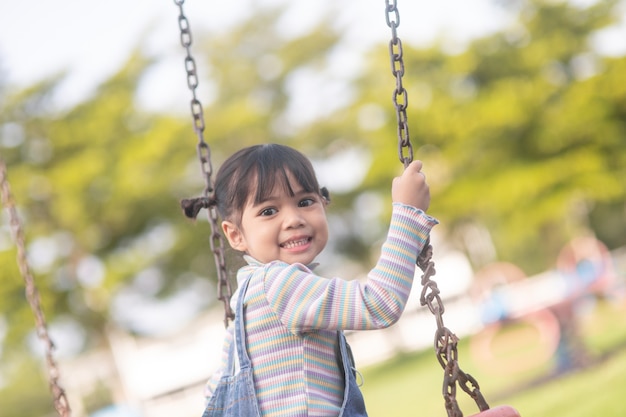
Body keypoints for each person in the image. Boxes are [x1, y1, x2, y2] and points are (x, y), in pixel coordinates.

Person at [181, 144, 437, 417]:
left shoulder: (246, 299)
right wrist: (408, 213)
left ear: (323, 203)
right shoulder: (278, 283)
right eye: (268, 211)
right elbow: (379, 303)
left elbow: (217, 387)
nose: (294, 219)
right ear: (235, 235)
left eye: (305, 202)